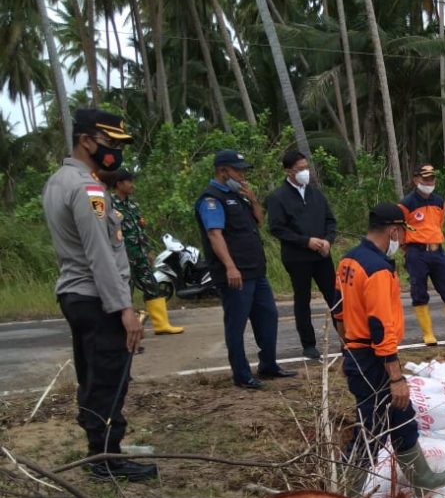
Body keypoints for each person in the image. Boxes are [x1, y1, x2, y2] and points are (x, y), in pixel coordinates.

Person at [42, 108, 157, 481]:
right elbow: (100, 254)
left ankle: (101, 451)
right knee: (109, 376)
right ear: (86, 141)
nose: (115, 152)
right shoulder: (87, 188)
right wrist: (123, 307)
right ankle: (106, 458)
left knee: (92, 375)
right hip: (96, 296)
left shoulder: (59, 180)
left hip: (78, 295)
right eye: (110, 143)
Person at [333, 203, 445, 493]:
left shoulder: (348, 261)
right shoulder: (377, 269)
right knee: (372, 429)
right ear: (392, 230)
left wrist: (345, 350)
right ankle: (345, 495)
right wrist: (396, 377)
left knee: (401, 415)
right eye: (401, 233)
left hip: (357, 352)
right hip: (374, 359)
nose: (402, 240)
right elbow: (380, 327)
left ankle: (421, 478)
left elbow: (338, 311)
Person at [194, 149, 295, 389]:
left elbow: (259, 222)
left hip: (256, 270)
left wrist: (253, 199)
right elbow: (215, 235)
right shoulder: (211, 199)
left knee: (268, 317)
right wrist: (230, 267)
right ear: (223, 171)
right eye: (237, 170)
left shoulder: (238, 195)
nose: (241, 175)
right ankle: (242, 375)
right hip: (235, 273)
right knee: (237, 325)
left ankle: (268, 365)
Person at [266, 150, 340, 361]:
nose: (305, 172)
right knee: (302, 299)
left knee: (334, 297)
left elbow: (330, 220)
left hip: (322, 254)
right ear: (289, 171)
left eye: (306, 168)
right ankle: (308, 344)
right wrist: (306, 241)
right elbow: (277, 228)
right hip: (297, 257)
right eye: (300, 169)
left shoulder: (315, 193)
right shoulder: (278, 197)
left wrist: (328, 240)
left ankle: (347, 338)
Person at [104, 169, 184, 336]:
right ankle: (124, 332)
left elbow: (140, 230)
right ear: (119, 184)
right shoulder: (109, 204)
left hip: (139, 254)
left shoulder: (133, 205)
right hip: (122, 257)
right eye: (129, 181)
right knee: (126, 292)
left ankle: (161, 325)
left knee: (152, 286)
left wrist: (147, 250)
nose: (132, 185)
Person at [399, 163, 445, 346]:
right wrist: (404, 248)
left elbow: (439, 224)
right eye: (425, 179)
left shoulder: (439, 201)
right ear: (416, 180)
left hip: (437, 251)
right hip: (416, 252)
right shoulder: (407, 203)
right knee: (419, 291)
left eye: (432, 178)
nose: (429, 182)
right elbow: (399, 227)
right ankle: (428, 334)